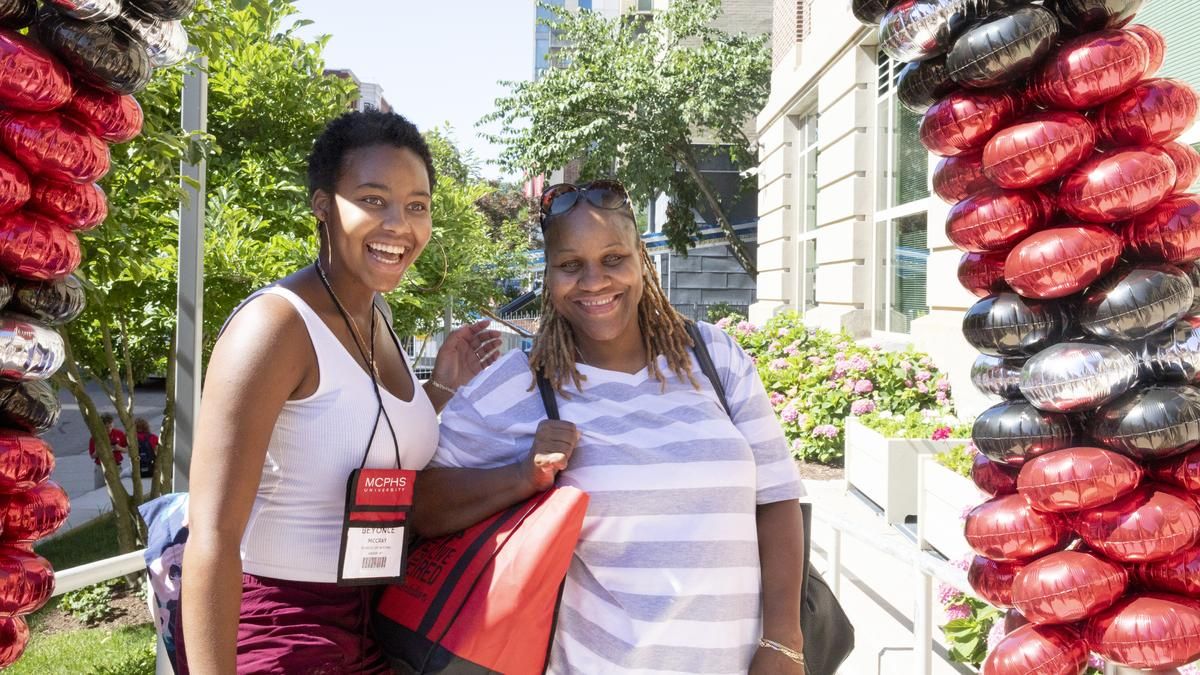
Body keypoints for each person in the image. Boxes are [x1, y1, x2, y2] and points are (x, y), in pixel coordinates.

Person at [412, 179, 808, 674]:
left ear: (642, 259)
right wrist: (520, 476)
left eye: (614, 259)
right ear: (549, 274)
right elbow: (418, 506)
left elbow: (776, 499)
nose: (594, 282)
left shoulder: (714, 357)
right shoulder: (518, 386)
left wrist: (783, 642)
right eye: (571, 266)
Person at [180, 110, 500, 674]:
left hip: (377, 621)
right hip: (282, 628)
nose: (400, 224)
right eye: (373, 200)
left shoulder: (377, 317)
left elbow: (360, 433)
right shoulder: (275, 327)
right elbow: (212, 534)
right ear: (324, 206)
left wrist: (443, 384)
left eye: (417, 205)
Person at [89, 412, 128, 488]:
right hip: (101, 467)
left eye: (110, 426)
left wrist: (118, 448)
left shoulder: (119, 433)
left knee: (118, 489)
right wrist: (98, 451)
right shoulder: (96, 436)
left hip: (116, 466)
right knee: (99, 490)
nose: (109, 429)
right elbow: (92, 456)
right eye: (106, 427)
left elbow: (127, 450)